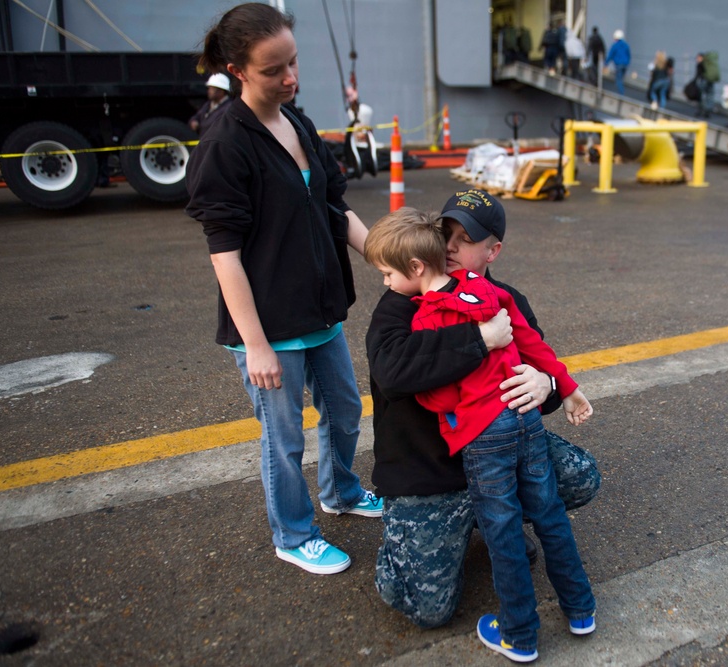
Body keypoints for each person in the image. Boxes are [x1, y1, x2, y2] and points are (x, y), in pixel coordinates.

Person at [185, 2, 382, 577]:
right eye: (274, 70)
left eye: (292, 63)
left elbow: (331, 207)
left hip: (318, 309)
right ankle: (293, 535)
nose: (290, 78)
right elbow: (224, 255)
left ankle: (341, 492)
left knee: (345, 410)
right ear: (238, 70)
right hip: (269, 324)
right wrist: (257, 345)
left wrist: (388, 259)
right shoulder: (225, 143)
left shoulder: (296, 121)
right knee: (283, 439)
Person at [364, 204, 597, 663]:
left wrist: (547, 384)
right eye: (443, 231)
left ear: (492, 251)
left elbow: (532, 352)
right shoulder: (401, 302)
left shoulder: (503, 296)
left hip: (492, 443)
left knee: (578, 477)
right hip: (430, 474)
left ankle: (520, 625)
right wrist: (481, 342)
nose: (448, 245)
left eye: (463, 239)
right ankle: (576, 606)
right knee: (425, 607)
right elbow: (393, 373)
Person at [604, 29, 631, 95]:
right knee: (621, 79)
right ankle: (622, 92)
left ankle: (621, 94)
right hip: (625, 64)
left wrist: (606, 64)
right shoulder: (626, 45)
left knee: (618, 80)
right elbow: (629, 55)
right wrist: (627, 62)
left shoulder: (615, 45)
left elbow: (610, 55)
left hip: (618, 64)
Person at [694, 52, 715, 119]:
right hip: (711, 81)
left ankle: (700, 110)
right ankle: (708, 111)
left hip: (703, 81)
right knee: (709, 96)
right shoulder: (709, 64)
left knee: (701, 96)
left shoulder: (700, 64)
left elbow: (698, 74)